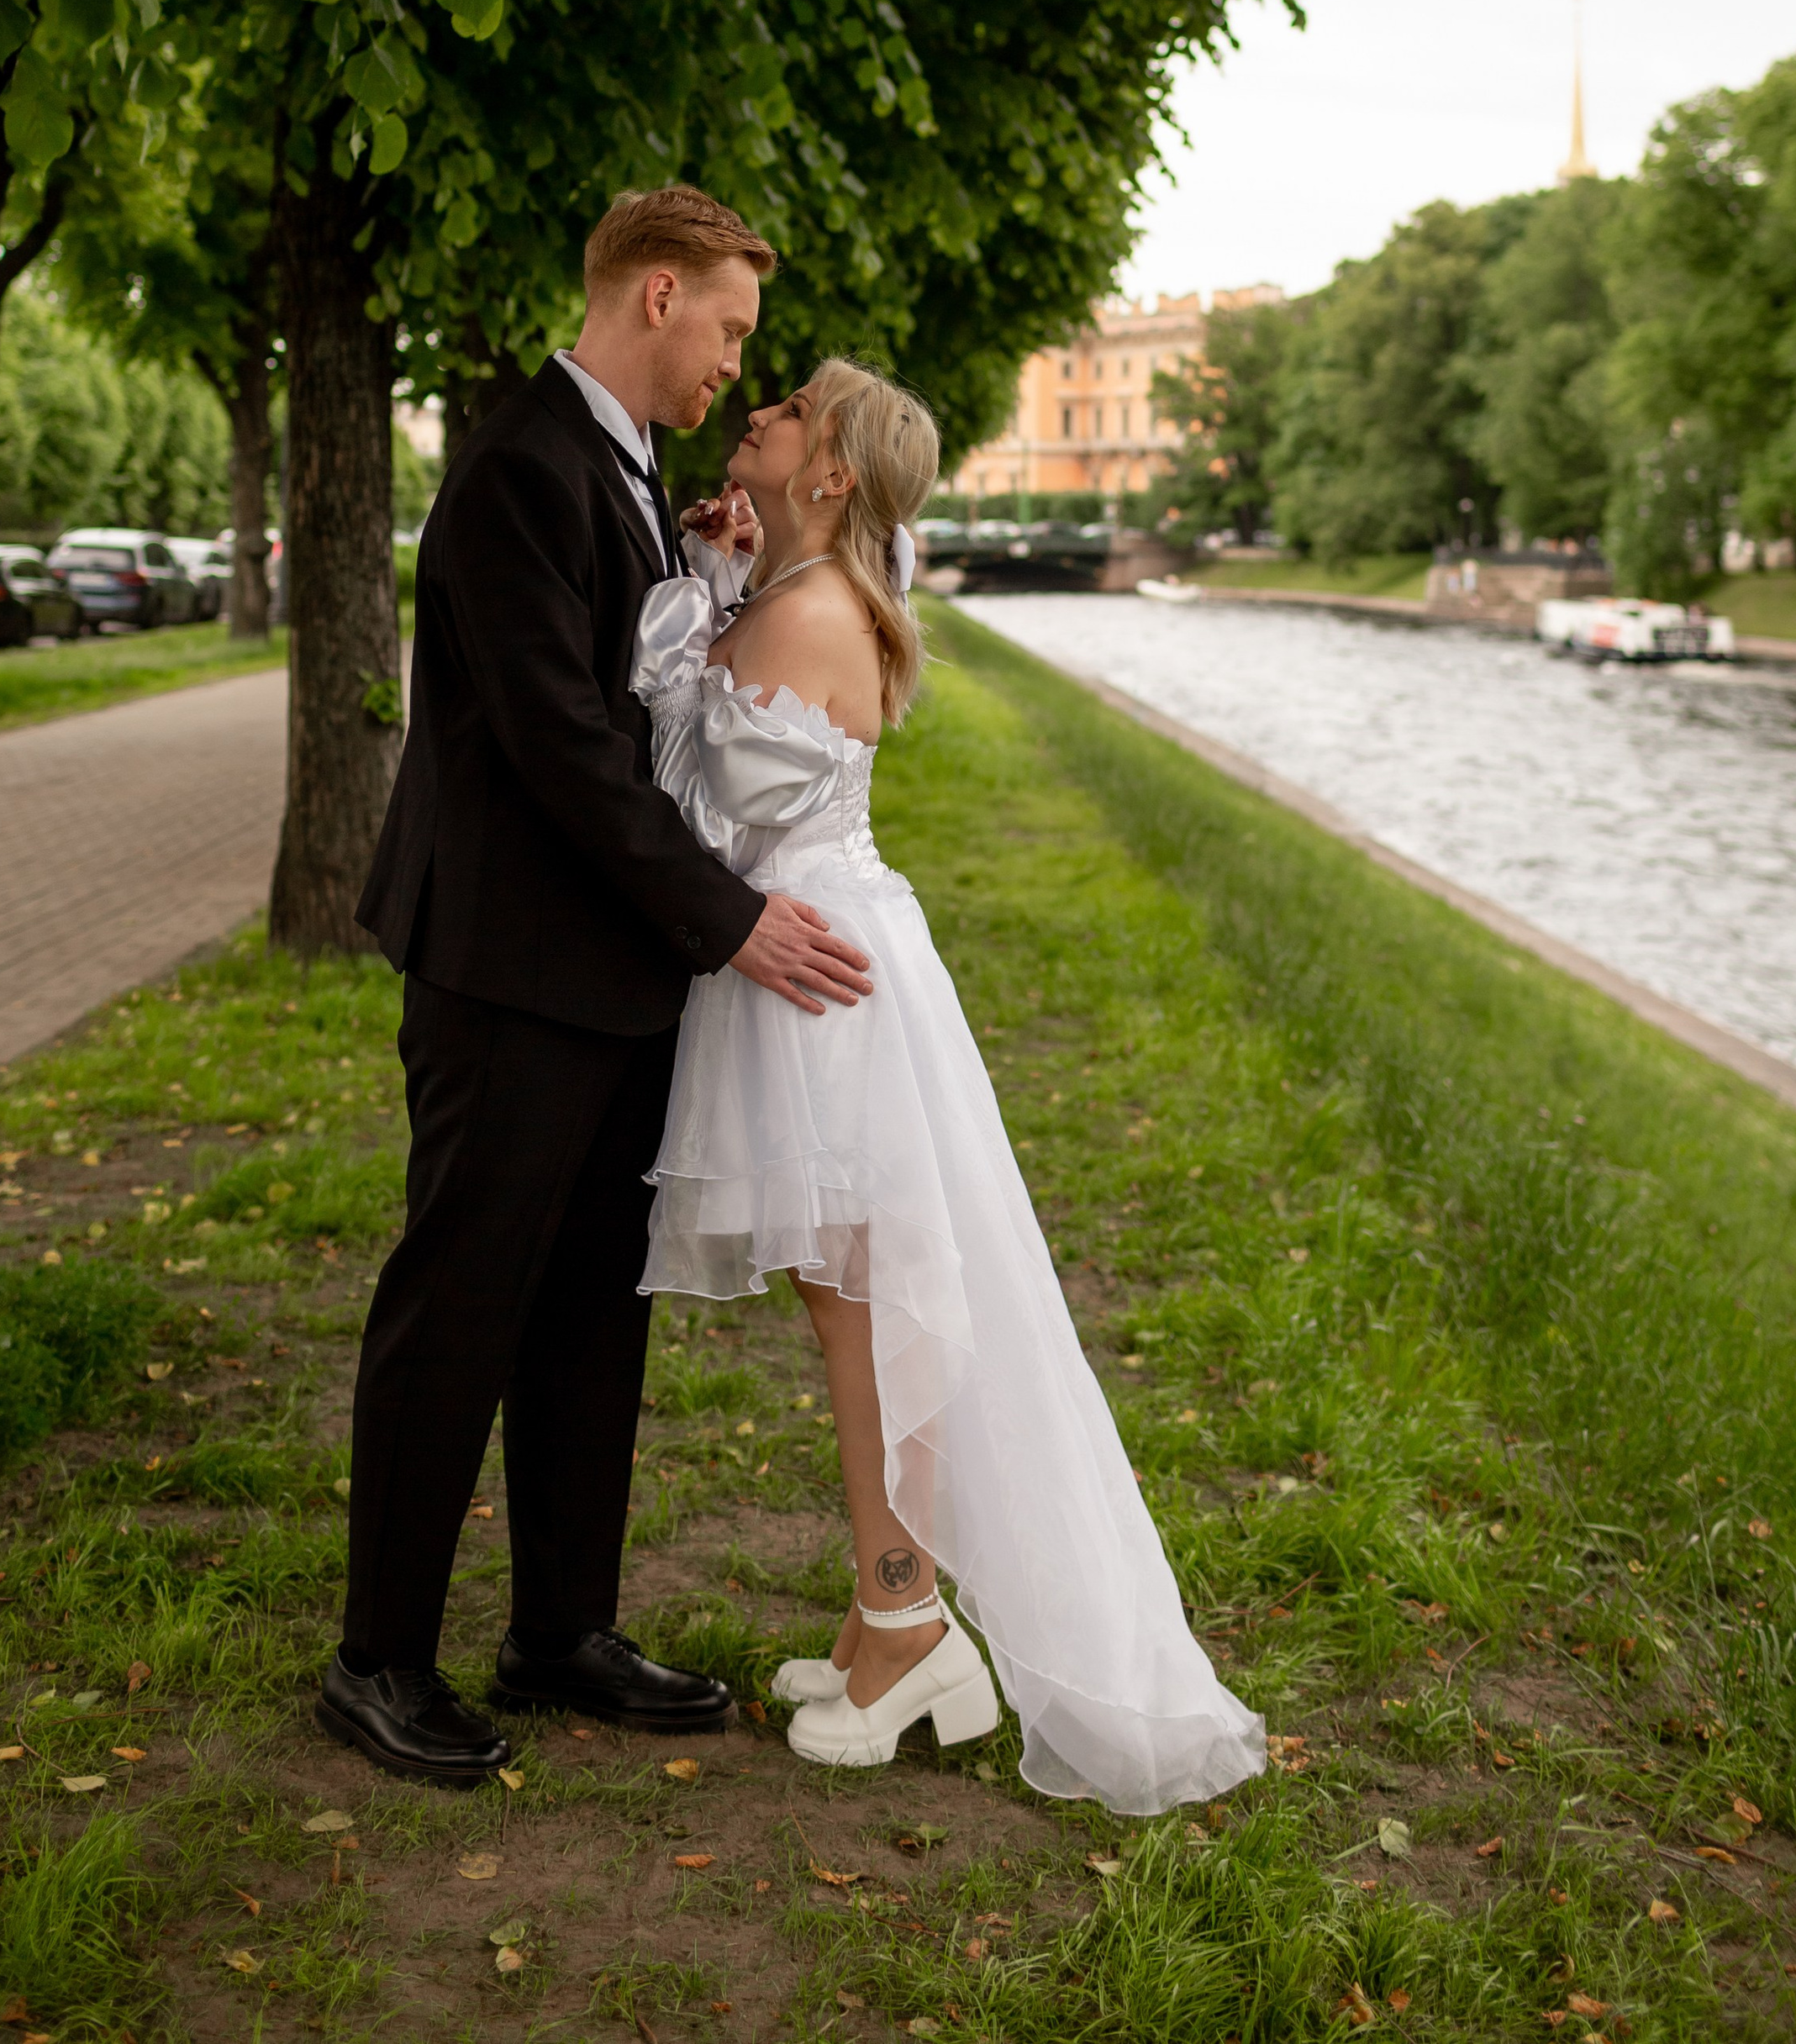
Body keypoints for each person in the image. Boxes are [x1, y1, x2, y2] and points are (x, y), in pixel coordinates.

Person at [634, 360, 1266, 1812]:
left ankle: (908, 1616)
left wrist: (690, 594)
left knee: (864, 1305)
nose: (765, 411)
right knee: (849, 1295)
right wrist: (716, 574)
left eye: (790, 406)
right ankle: (887, 1611)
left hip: (812, 972)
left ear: (835, 470)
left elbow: (681, 798)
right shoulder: (799, 592)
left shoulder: (805, 610)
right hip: (809, 954)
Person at [320, 188, 873, 1786]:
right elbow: (562, 744)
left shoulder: (628, 477)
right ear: (652, 292)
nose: (732, 362)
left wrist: (698, 570)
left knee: (585, 1314)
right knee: (461, 1301)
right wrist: (731, 920)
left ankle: (560, 1627)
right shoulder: (515, 467)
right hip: (506, 967)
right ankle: (377, 1658)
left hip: (614, 970)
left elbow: (633, 683)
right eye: (728, 327)